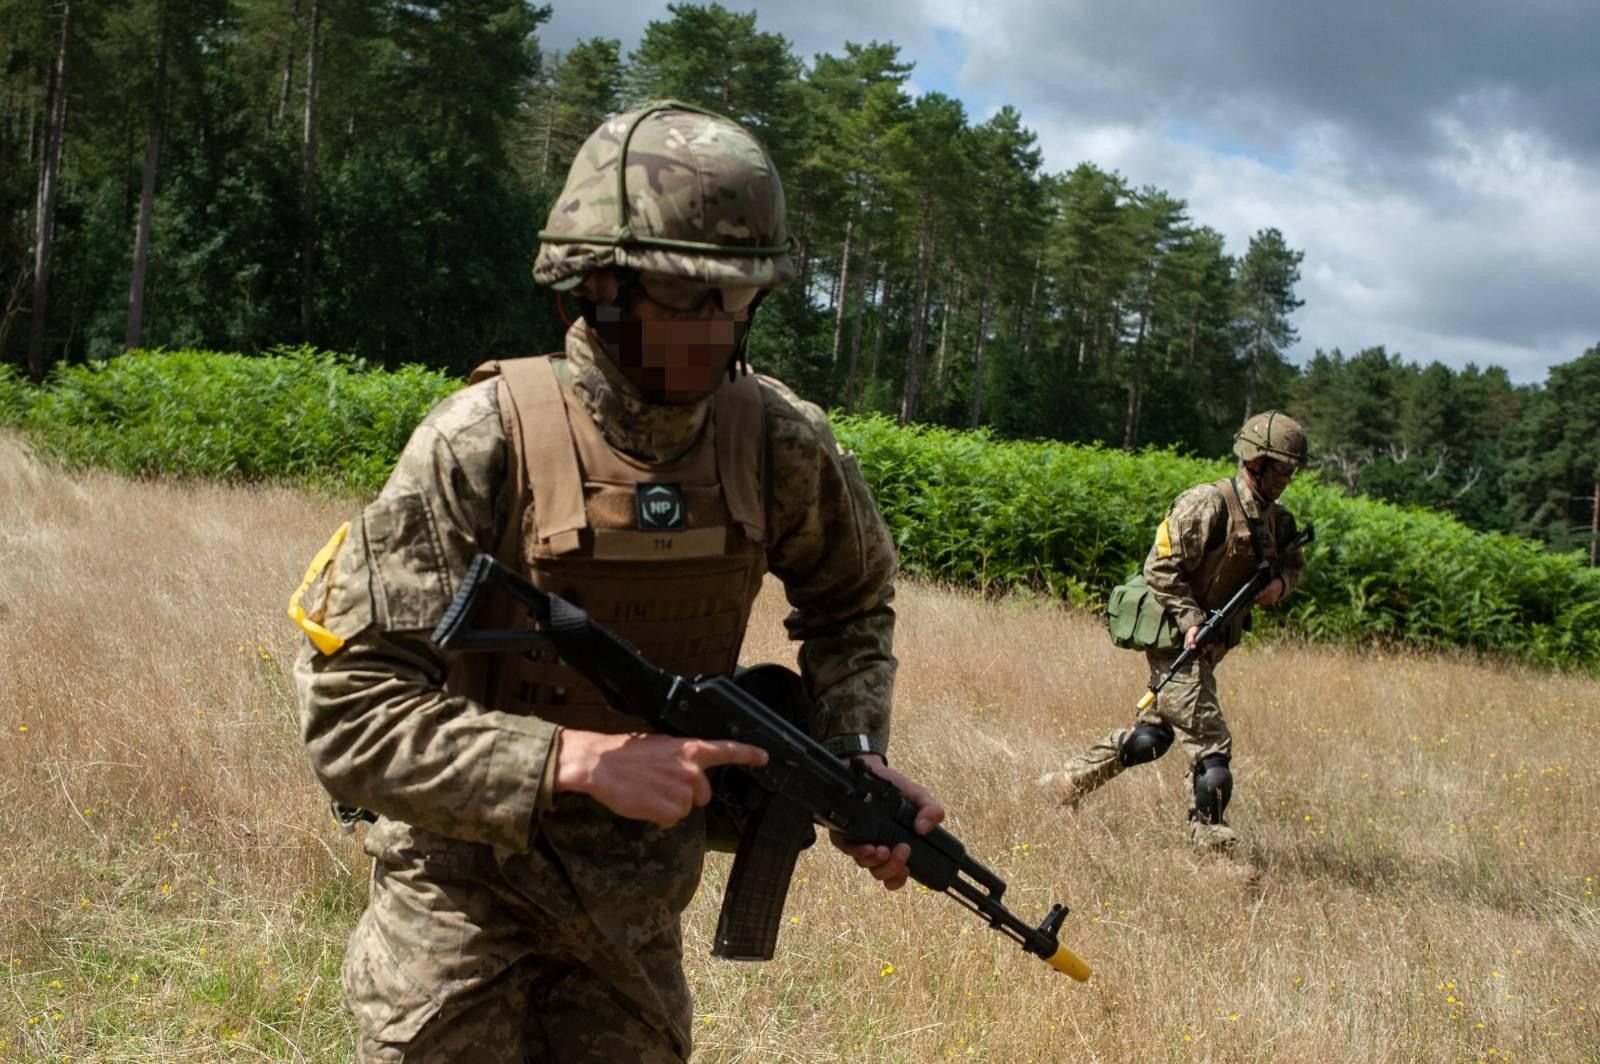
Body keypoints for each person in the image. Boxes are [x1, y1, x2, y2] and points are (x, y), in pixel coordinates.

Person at [289, 100, 944, 1062]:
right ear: (595, 284)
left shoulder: (778, 443)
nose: (718, 327)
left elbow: (851, 605)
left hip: (634, 928)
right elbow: (349, 720)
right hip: (456, 915)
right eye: (688, 295)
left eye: (737, 298)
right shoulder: (481, 441)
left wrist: (852, 758)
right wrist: (575, 761)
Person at [1039, 411, 1309, 853]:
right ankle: (1212, 844)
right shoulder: (1207, 504)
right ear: (1254, 461)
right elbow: (1159, 568)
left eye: (1291, 471)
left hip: (1209, 644)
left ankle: (1065, 783)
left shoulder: (1277, 522)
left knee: (1151, 738)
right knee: (1211, 746)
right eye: (1280, 469)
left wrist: (1279, 586)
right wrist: (1190, 621)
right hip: (1176, 639)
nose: (1287, 479)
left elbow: (1293, 565)